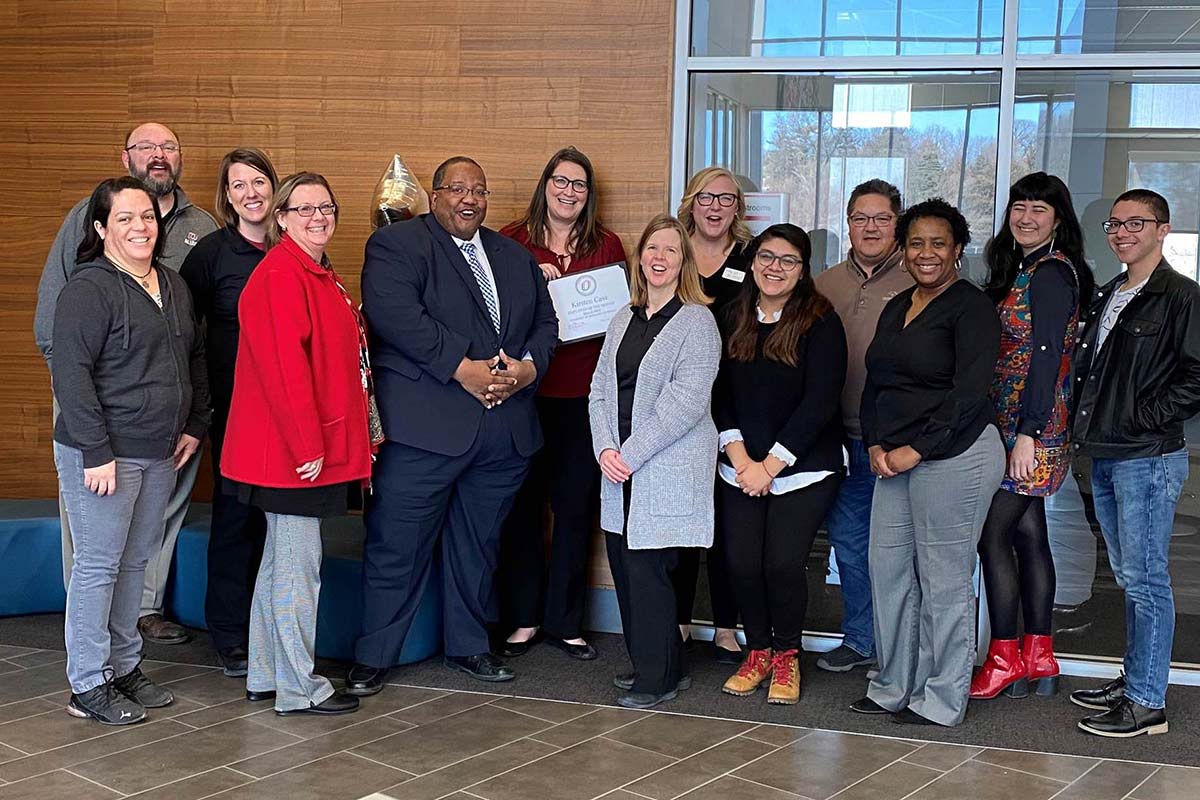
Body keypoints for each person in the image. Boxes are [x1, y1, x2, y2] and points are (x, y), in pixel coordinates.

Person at [349, 156, 558, 694]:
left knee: (478, 546)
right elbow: (395, 315)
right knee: (397, 544)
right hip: (426, 433)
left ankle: (469, 647)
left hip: (503, 433)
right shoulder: (396, 245)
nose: (470, 199)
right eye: (457, 189)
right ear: (434, 195)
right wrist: (462, 369)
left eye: (479, 191)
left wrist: (528, 368)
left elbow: (545, 322)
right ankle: (374, 655)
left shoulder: (514, 256)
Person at [34, 121, 218, 647]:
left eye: (169, 147)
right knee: (95, 544)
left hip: (164, 420)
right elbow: (56, 314)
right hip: (94, 403)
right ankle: (89, 642)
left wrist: (195, 415)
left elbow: (194, 333)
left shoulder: (199, 226)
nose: (159, 156)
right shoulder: (88, 215)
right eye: (147, 147)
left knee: (151, 529)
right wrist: (74, 389)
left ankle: (142, 613)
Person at [52, 176, 210, 724]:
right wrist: (96, 452)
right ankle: (87, 684)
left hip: (160, 448)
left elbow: (193, 355)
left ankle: (123, 667)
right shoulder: (88, 289)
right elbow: (70, 375)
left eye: (147, 216)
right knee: (98, 566)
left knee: (133, 563)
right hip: (103, 454)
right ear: (101, 228)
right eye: (124, 218)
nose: (140, 227)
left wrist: (195, 420)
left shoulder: (172, 284)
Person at [220, 172, 373, 716]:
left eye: (326, 207)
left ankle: (267, 674)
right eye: (304, 208)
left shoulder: (315, 272)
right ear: (281, 217)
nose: (318, 217)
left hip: (296, 450)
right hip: (291, 455)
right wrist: (308, 445)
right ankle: (297, 687)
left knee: (279, 565)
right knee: (296, 570)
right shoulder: (282, 275)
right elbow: (284, 369)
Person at [851, 198, 1004, 727]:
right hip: (892, 459)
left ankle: (940, 698)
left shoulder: (973, 307)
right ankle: (894, 685)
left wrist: (916, 449)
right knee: (888, 572)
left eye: (938, 242)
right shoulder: (898, 305)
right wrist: (875, 444)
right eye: (916, 242)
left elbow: (968, 392)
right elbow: (877, 382)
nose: (926, 253)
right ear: (903, 248)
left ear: (958, 249)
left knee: (944, 580)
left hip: (955, 455)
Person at [1070, 189, 1200, 738]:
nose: (1122, 232)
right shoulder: (1110, 293)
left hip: (1146, 457)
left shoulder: (1181, 296)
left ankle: (1148, 703)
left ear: (1163, 229)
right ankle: (1136, 676)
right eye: (1114, 224)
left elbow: (1197, 376)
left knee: (1146, 581)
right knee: (1128, 577)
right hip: (1105, 453)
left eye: (1136, 223)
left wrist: (1147, 417)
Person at [497, 147, 627, 661]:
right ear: (544, 184)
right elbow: (492, 309)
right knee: (522, 508)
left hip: (583, 398)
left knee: (575, 510)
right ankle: (523, 618)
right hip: (523, 396)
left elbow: (619, 316)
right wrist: (535, 282)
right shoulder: (510, 241)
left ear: (588, 194)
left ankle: (565, 622)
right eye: (561, 181)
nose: (569, 191)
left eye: (579, 184)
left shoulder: (608, 244)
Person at [588, 214, 721, 709]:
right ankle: (663, 663)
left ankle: (657, 678)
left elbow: (686, 403)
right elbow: (599, 389)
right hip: (618, 467)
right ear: (640, 257)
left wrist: (629, 454)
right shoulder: (623, 316)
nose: (659, 257)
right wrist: (605, 448)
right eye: (652, 248)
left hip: (662, 467)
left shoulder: (697, 321)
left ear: (683, 260)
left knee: (651, 574)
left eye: (670, 249)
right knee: (626, 567)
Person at [971, 172, 1093, 701]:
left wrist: (1027, 434)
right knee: (1029, 536)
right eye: (1019, 207)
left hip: (1031, 428)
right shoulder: (1026, 268)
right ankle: (1038, 655)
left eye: (1038, 209)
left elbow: (1048, 356)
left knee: (991, 536)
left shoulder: (1050, 273)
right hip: (1017, 423)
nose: (1025, 217)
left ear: (1058, 219)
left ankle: (1003, 657)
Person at [715, 224, 847, 705]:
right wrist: (740, 458)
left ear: (802, 269)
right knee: (742, 563)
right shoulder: (732, 316)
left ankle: (787, 656)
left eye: (788, 260)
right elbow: (719, 394)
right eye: (767, 257)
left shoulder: (820, 320)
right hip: (740, 463)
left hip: (804, 465)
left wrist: (769, 466)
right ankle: (759, 651)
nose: (775, 267)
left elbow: (820, 402)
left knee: (782, 562)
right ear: (752, 263)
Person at [181, 148, 278, 678]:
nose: (249, 193)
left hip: (291, 419)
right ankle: (229, 635)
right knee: (236, 522)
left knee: (280, 526)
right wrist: (197, 410)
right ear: (227, 196)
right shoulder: (211, 256)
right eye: (237, 185)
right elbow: (182, 336)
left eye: (258, 181)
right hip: (235, 414)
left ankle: (271, 629)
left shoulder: (298, 249)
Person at [814, 179, 911, 673]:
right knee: (850, 544)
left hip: (899, 444)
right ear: (847, 223)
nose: (870, 227)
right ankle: (861, 639)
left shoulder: (921, 280)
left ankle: (901, 647)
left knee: (898, 550)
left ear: (897, 222)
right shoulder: (824, 284)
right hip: (840, 438)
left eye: (882, 218)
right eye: (860, 218)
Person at [671, 166, 753, 662]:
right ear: (692, 203)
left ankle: (725, 628)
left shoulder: (751, 255)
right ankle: (680, 621)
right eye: (707, 196)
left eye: (726, 198)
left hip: (733, 399)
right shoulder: (671, 250)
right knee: (681, 518)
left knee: (726, 523)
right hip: (680, 402)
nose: (716, 206)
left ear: (738, 208)